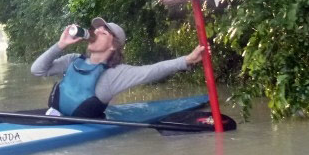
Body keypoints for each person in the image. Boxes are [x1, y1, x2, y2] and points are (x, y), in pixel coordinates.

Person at [31, 17, 205, 118]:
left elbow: (152, 70)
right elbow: (37, 70)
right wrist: (60, 44)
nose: (95, 32)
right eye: (95, 30)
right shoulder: (72, 60)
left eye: (103, 32)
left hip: (79, 129)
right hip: (53, 117)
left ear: (113, 45)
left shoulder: (115, 74)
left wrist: (187, 60)